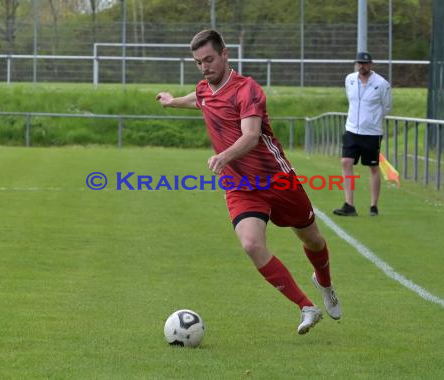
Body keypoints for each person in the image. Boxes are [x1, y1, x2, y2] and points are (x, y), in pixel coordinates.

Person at [156, 30, 341, 334]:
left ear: (225, 54)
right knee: (252, 244)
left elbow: (252, 135)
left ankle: (325, 282)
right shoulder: (204, 89)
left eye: (209, 59)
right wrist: (171, 101)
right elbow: (198, 99)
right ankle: (307, 307)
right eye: (199, 62)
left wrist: (224, 156)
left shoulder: (247, 90)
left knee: (313, 240)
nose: (204, 67)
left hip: (277, 180)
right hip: (240, 186)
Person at [334, 52, 392, 217]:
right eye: (359, 63)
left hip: (372, 133)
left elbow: (387, 106)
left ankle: (374, 205)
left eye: (365, 63)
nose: (362, 66)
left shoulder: (381, 84)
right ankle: (349, 204)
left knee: (373, 167)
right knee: (346, 162)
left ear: (371, 64)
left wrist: (373, 120)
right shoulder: (350, 79)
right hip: (352, 129)